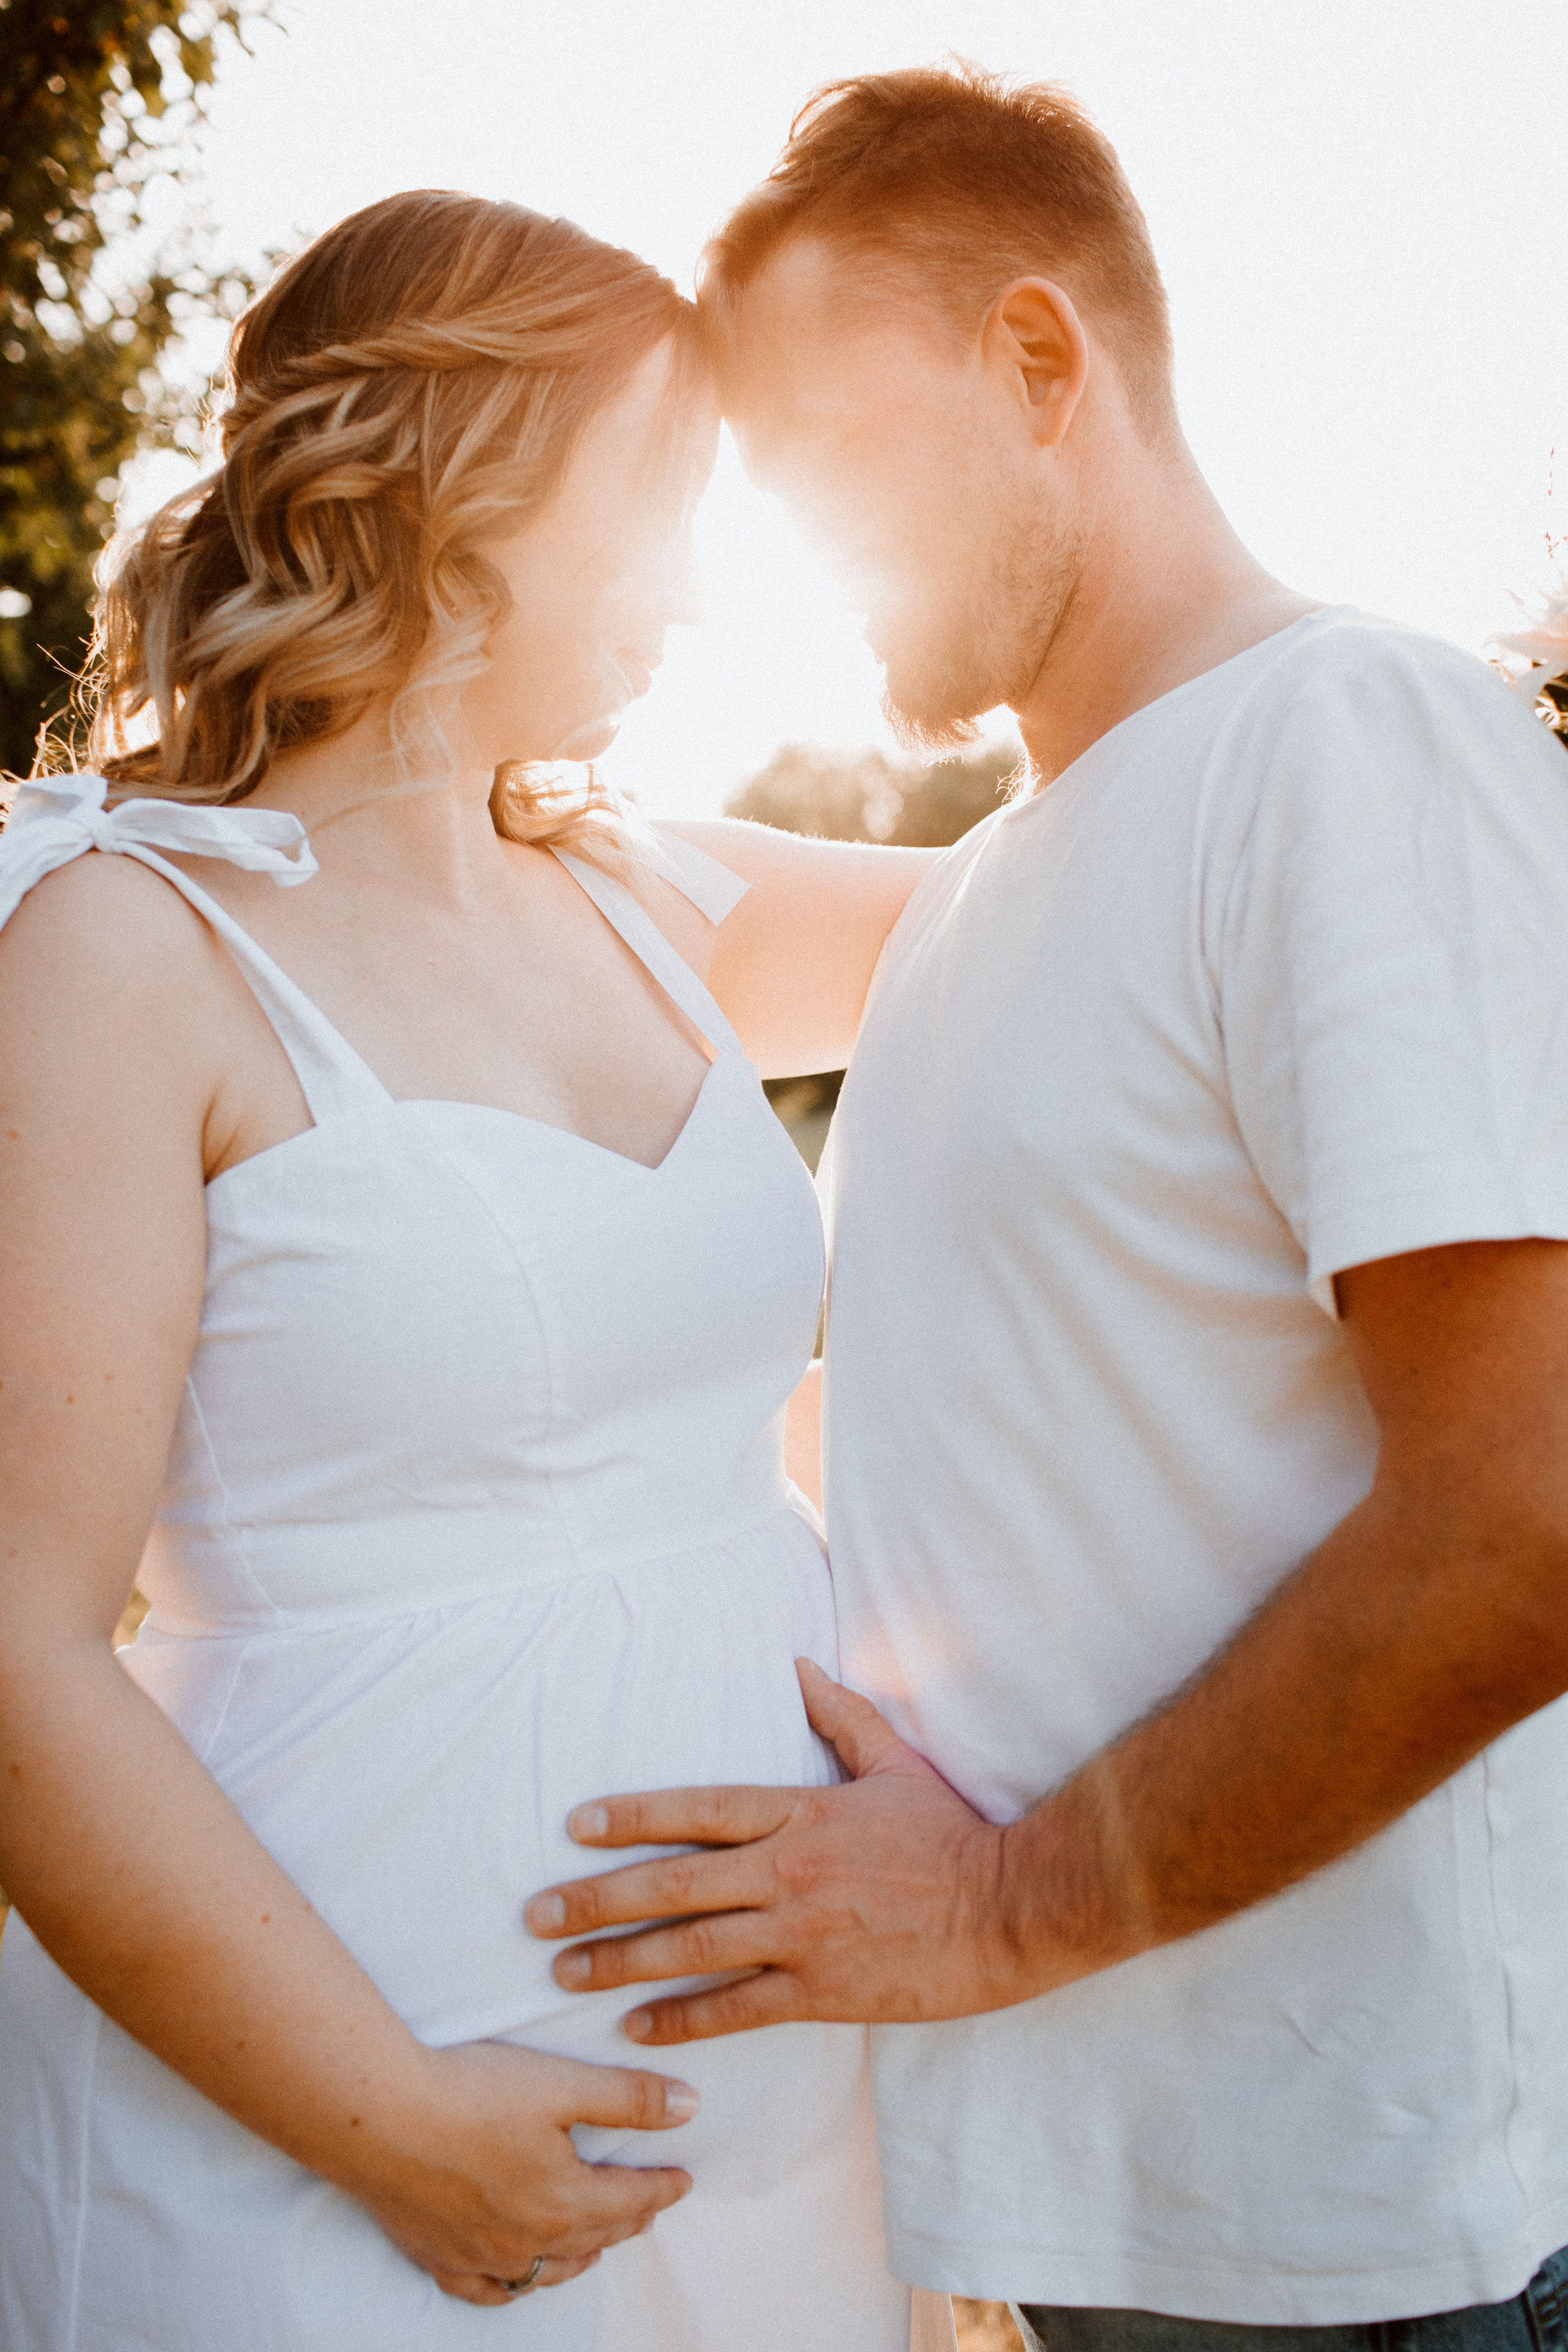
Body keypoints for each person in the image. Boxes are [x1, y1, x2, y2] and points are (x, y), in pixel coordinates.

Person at [524, 67, 1568, 2352]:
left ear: (1035, 361)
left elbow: (1529, 1506)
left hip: (1353, 2252)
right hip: (1073, 2222)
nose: (793, 542)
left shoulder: (1351, 740)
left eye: (824, 455)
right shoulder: (987, 891)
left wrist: (1001, 1912)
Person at [0, 188, 954, 2352]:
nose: (704, 593)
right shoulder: (127, 952)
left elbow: (1090, 908)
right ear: (470, 477)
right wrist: (386, 2118)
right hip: (324, 2111)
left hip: (775, 2108)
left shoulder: (651, 892)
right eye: (661, 499)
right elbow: (14, 1651)